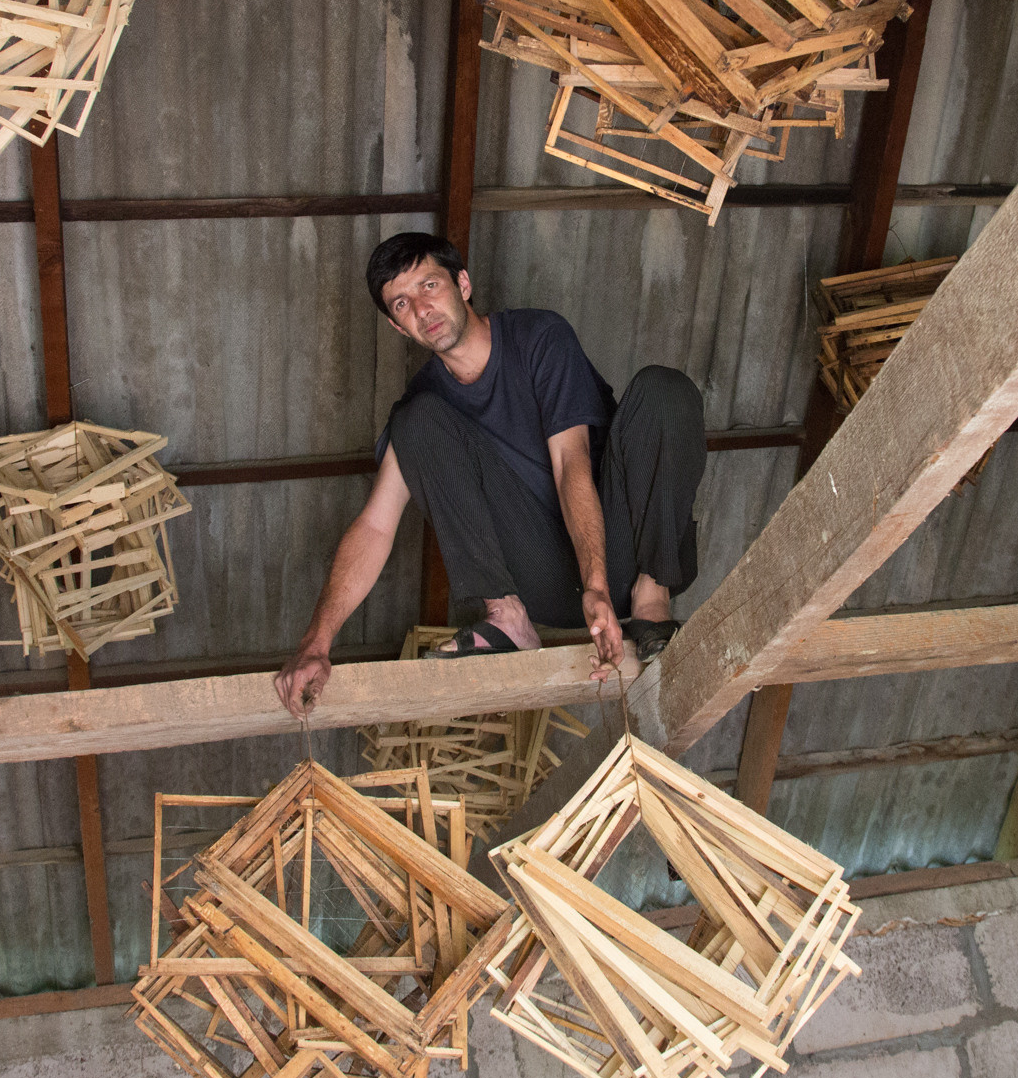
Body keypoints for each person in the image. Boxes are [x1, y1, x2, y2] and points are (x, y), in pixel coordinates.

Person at [273, 232, 706, 717]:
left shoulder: (540, 338)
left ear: (462, 283)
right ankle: (508, 617)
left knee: (663, 389)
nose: (421, 308)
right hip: (539, 577)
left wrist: (599, 586)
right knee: (414, 421)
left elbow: (571, 464)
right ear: (397, 326)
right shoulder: (425, 405)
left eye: (429, 285)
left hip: (619, 548)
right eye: (401, 302)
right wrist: (316, 643)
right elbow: (375, 525)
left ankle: (652, 606)